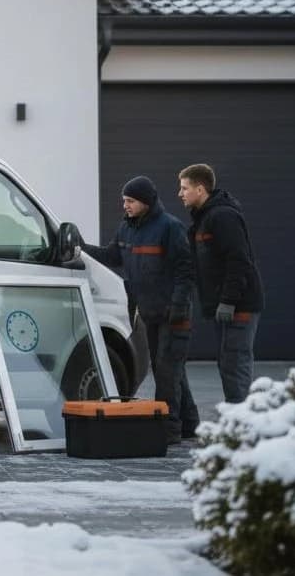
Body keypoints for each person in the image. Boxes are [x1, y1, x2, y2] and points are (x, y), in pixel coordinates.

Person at [83, 175, 200, 444]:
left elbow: (186, 270)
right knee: (168, 369)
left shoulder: (170, 227)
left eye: (131, 201)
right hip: (149, 313)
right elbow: (112, 256)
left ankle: (169, 429)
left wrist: (178, 305)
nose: (125, 205)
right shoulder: (127, 228)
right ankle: (189, 423)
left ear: (145, 202)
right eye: (124, 200)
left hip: (173, 314)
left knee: (167, 371)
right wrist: (82, 247)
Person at [178, 163, 264, 404]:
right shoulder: (203, 219)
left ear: (200, 189)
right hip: (224, 305)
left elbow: (239, 260)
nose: (180, 193)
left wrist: (228, 301)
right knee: (228, 362)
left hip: (239, 305)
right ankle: (236, 413)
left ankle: (241, 418)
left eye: (184, 188)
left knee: (235, 362)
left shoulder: (222, 216)